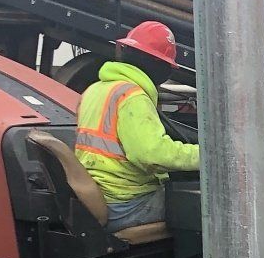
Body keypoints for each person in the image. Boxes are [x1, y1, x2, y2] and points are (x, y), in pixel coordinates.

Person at [73, 20, 201, 230]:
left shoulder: (95, 90)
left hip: (99, 191)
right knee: (207, 206)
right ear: (157, 65)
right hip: (127, 202)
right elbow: (152, 155)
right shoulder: (133, 97)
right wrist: (208, 157)